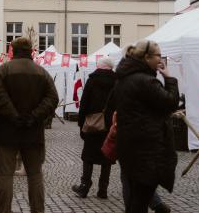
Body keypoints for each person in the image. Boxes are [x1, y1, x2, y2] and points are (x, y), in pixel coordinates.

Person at [0, 37, 59, 213]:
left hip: (7, 132)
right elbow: (52, 98)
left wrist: (13, 115)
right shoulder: (42, 73)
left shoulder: (2, 71)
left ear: (13, 50)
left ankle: (3, 210)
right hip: (33, 132)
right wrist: (34, 116)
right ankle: (37, 210)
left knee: (5, 175)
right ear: (31, 51)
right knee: (35, 175)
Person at [111, 40, 179, 213]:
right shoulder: (146, 82)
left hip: (129, 147)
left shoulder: (123, 79)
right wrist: (169, 78)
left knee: (136, 199)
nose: (160, 59)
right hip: (146, 150)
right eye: (158, 55)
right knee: (139, 201)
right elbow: (171, 102)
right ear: (147, 57)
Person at [71, 57, 117, 199]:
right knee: (107, 156)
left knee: (88, 156)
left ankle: (84, 186)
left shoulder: (92, 80)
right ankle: (102, 190)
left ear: (99, 66)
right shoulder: (117, 81)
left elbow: (84, 103)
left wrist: (81, 125)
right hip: (110, 125)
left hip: (92, 125)